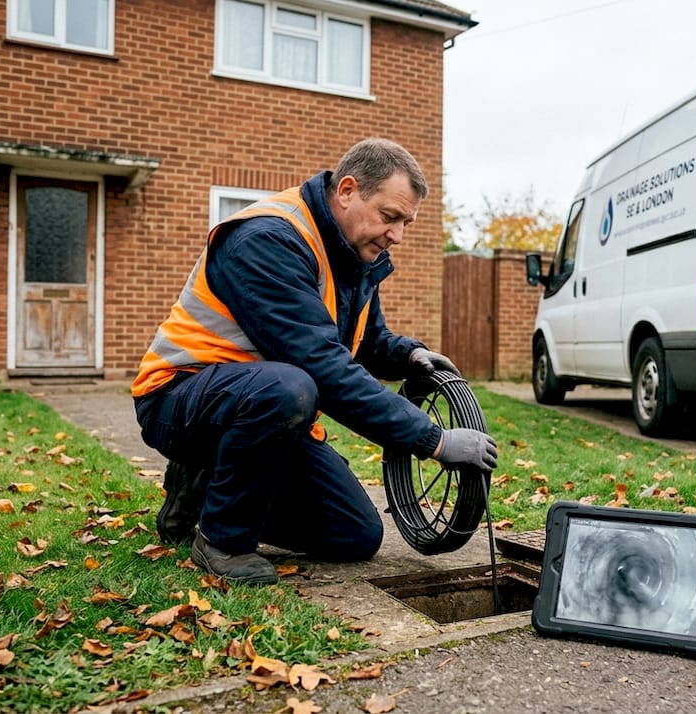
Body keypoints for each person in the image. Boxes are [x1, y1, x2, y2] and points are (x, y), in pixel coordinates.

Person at [131, 138, 498, 586]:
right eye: (389, 216)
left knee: (355, 535)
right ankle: (222, 541)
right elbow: (322, 364)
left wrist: (409, 354)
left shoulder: (354, 252)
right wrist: (433, 440)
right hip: (179, 397)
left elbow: (363, 339)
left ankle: (205, 487)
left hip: (262, 409)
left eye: (405, 223)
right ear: (347, 191)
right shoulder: (267, 239)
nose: (397, 235)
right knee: (290, 387)